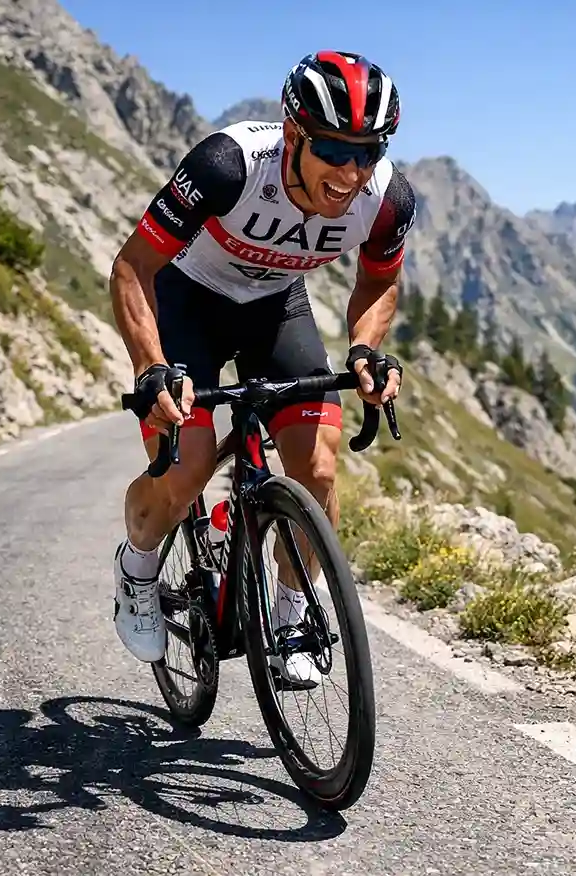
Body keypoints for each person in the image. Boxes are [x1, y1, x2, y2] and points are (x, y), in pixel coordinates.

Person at [107, 50, 415, 687]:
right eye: (335, 148)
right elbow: (132, 267)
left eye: (369, 150)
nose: (352, 171)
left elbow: (380, 283)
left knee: (319, 469)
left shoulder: (386, 201)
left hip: (276, 306)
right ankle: (137, 566)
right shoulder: (227, 166)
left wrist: (363, 349)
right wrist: (152, 366)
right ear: (295, 134)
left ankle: (292, 611)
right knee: (186, 469)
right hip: (188, 302)